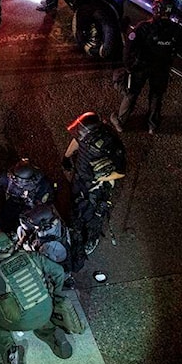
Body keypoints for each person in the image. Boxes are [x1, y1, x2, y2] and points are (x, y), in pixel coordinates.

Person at [0, 231, 71, 364]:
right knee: (37, 315)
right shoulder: (32, 257)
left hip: (22, 321)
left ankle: (11, 352)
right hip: (47, 309)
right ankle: (54, 336)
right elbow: (59, 271)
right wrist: (57, 296)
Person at [110, 0, 182, 135]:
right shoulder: (178, 31)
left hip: (141, 67)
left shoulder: (144, 28)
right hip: (162, 68)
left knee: (132, 94)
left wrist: (128, 67)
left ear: (156, 9)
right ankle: (152, 125)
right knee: (156, 96)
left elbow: (129, 48)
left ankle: (120, 122)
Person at [63, 111, 126, 269]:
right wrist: (67, 156)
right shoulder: (85, 134)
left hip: (96, 187)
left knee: (93, 216)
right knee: (76, 205)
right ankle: (76, 227)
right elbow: (78, 141)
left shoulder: (110, 143)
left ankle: (91, 239)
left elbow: (120, 171)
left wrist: (97, 179)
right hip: (80, 178)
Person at [0, 158, 54, 236]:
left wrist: (30, 203)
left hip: (29, 209)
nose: (13, 179)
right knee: (3, 219)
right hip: (13, 202)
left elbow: (42, 206)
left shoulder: (41, 185)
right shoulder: (9, 177)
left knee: (20, 227)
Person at [17, 203, 75, 289]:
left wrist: (30, 248)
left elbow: (45, 263)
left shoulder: (49, 247)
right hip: (60, 248)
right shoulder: (55, 222)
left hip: (57, 261)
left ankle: (65, 279)